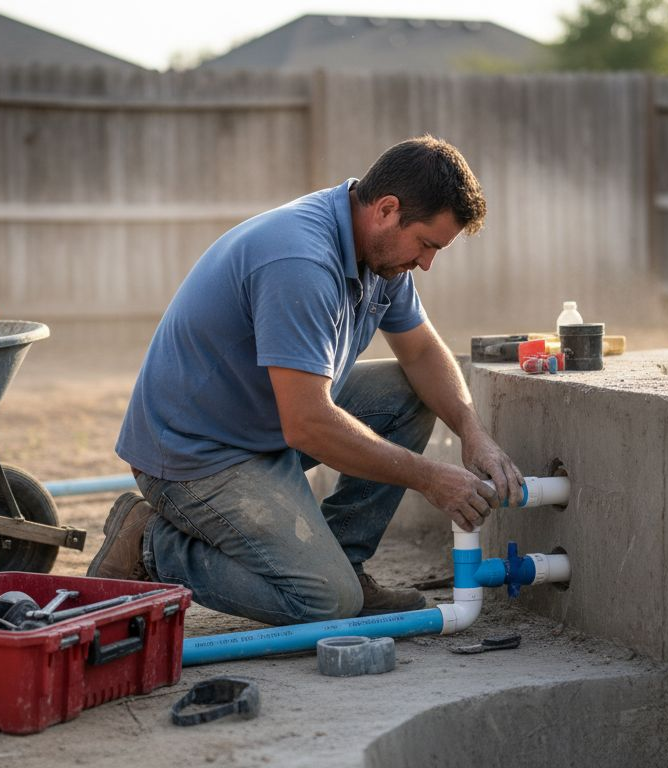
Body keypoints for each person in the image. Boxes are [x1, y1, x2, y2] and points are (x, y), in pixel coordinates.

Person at [90, 135, 524, 625]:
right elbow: (308, 424)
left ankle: (342, 559)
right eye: (426, 244)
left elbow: (422, 351)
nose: (426, 263)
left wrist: (472, 431)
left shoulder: (380, 255)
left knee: (408, 395)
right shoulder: (301, 262)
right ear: (386, 209)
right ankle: (149, 543)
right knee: (326, 602)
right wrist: (430, 479)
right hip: (196, 457)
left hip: (262, 427)